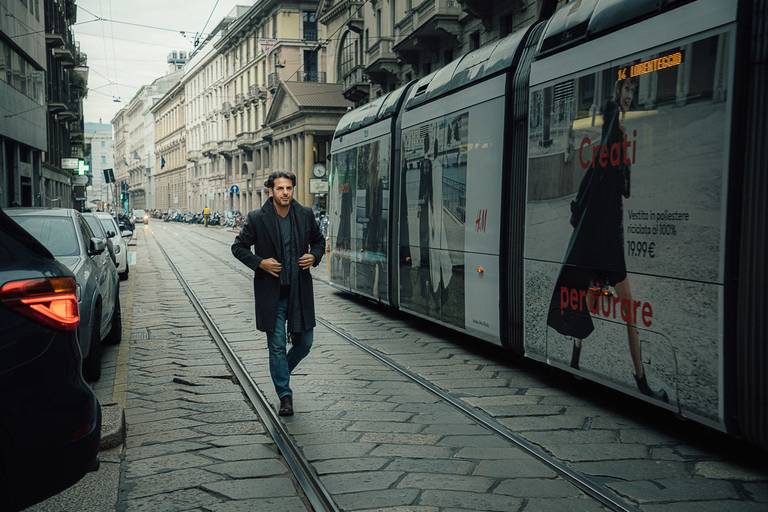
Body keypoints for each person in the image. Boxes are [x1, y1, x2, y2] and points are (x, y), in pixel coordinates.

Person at [546, 75, 668, 403]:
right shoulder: (614, 124)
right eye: (626, 89)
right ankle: (640, 380)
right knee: (627, 308)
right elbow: (612, 121)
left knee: (591, 302)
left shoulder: (614, 141)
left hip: (603, 237)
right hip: (608, 240)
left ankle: (575, 360)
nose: (630, 95)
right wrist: (617, 123)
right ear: (616, 92)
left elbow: (623, 189)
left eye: (632, 90)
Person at [231, 171, 325, 416]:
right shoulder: (257, 219)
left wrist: (314, 255)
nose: (285, 193)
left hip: (299, 291)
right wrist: (260, 263)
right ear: (270, 191)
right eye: (280, 188)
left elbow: (319, 241)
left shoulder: (304, 215)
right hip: (271, 293)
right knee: (276, 347)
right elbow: (238, 247)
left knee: (305, 343)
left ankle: (280, 370)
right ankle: (285, 395)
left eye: (289, 188)